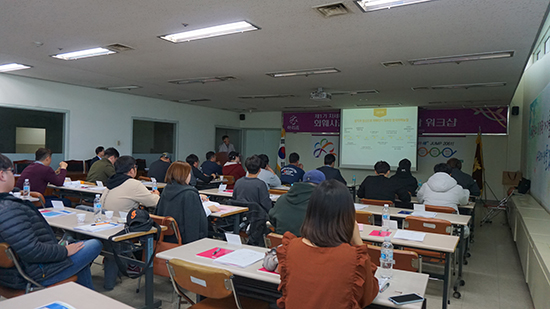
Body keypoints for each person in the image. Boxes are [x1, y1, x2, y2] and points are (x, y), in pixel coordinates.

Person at [0, 153, 102, 291]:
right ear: (2, 175)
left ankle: (84, 300)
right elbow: (32, 251)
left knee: (79, 257)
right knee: (94, 244)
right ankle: (88, 301)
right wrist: (64, 251)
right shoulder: (8, 209)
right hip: (34, 273)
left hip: (16, 272)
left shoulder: (8, 204)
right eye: (11, 171)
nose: (13, 175)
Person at [276, 179, 379, 309]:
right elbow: (368, 295)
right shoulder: (351, 257)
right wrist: (358, 241)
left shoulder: (290, 248)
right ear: (347, 216)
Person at [155, 161, 211, 244]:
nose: (190, 176)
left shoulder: (166, 190)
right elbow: (193, 225)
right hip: (185, 242)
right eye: (189, 173)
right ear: (184, 175)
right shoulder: (190, 194)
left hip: (168, 237)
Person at [269, 170, 325, 236]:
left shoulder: (282, 198)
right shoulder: (322, 202)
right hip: (307, 244)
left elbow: (271, 219)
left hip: (282, 243)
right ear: (322, 185)